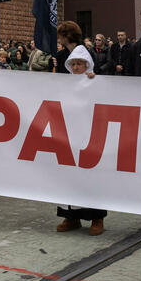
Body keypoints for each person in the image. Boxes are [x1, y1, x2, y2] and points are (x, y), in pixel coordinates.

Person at [55, 45, 105, 236]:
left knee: (92, 177)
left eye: (80, 64)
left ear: (87, 65)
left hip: (90, 135)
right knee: (67, 177)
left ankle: (96, 217)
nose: (76, 67)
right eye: (73, 64)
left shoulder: (96, 82)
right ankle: (71, 217)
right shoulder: (64, 84)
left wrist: (95, 82)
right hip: (68, 134)